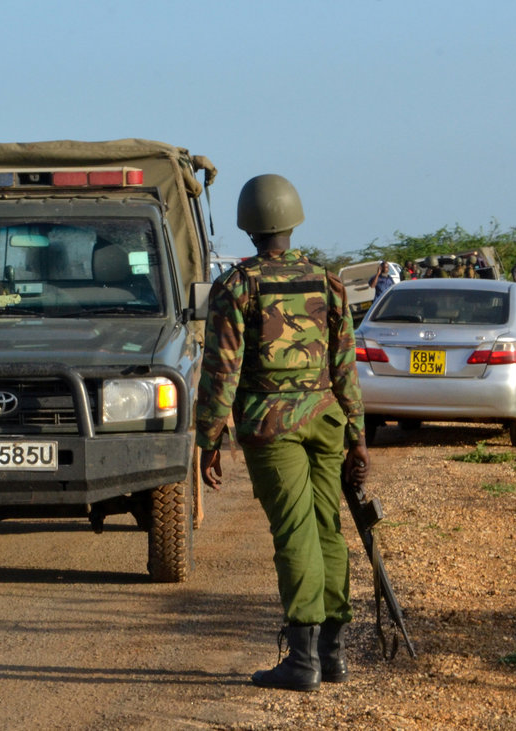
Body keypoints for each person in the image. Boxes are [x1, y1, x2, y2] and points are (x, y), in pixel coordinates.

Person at [195, 174, 368, 692]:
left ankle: (302, 662)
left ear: (248, 227)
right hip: (326, 418)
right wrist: (357, 436)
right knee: (327, 529)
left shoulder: (238, 286)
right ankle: (333, 655)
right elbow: (345, 368)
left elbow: (221, 371)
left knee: (295, 532)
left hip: (273, 424)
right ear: (293, 221)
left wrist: (208, 440)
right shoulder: (326, 281)